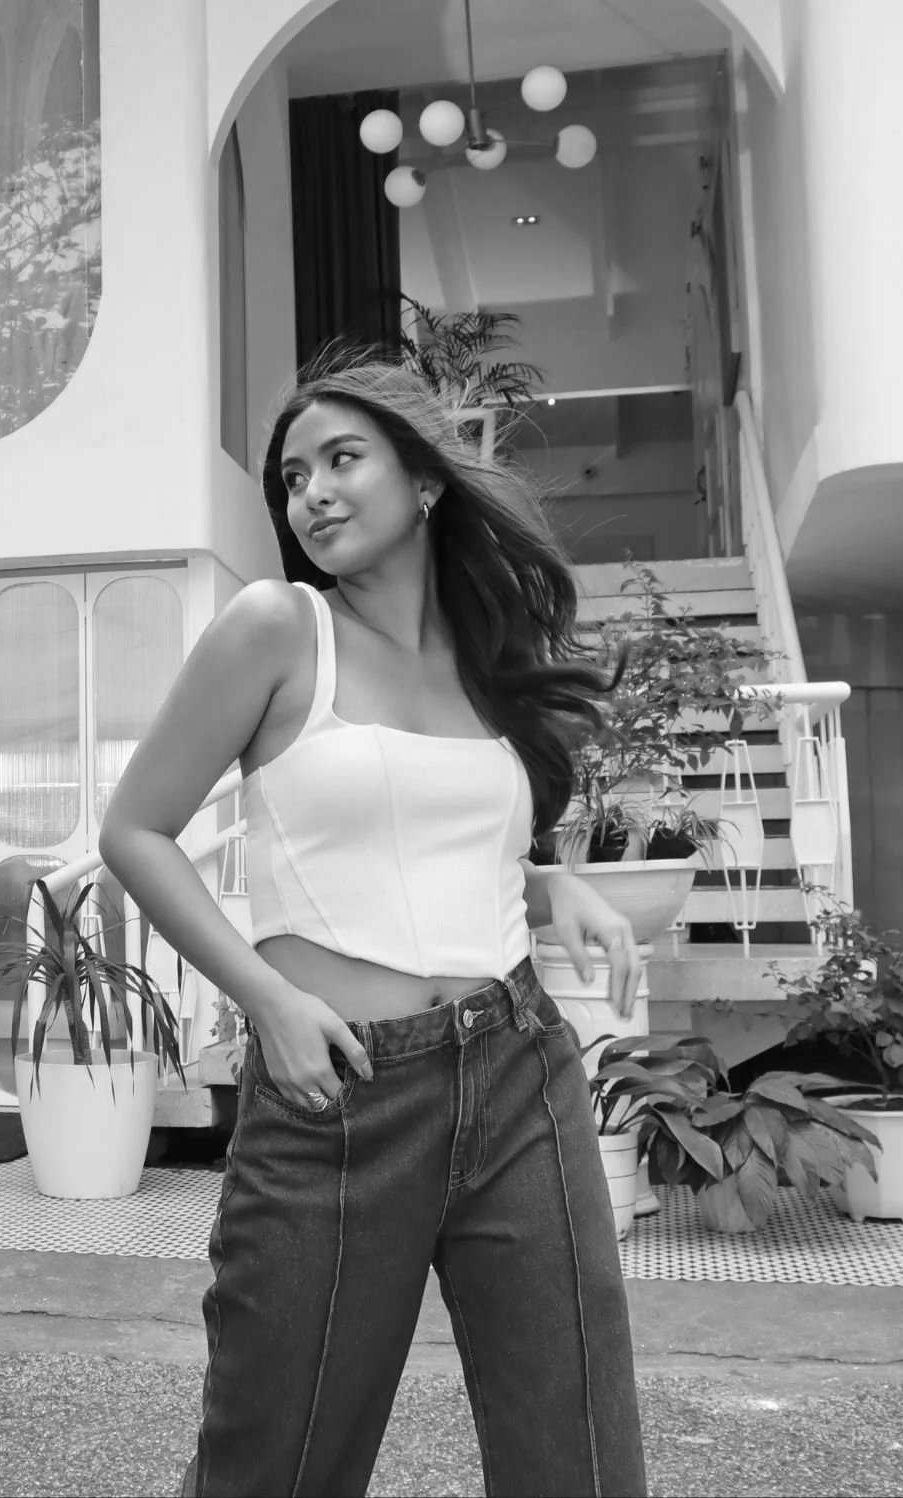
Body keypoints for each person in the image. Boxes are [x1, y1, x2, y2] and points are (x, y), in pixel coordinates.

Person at [99, 350, 648, 1497]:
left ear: (425, 480)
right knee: (278, 1463)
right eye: (293, 477)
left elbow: (439, 832)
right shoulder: (277, 627)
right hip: (335, 1090)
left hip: (515, 1068)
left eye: (341, 459)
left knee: (577, 1455)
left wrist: (553, 882)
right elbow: (137, 830)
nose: (310, 494)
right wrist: (266, 996)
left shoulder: (486, 659)